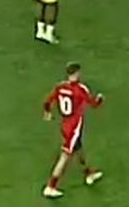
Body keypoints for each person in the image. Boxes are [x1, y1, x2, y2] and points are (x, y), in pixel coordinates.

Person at [41, 62, 104, 199]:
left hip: (65, 125)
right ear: (77, 73)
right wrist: (100, 99)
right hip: (74, 127)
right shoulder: (80, 89)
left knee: (78, 149)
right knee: (65, 156)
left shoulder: (60, 87)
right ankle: (50, 186)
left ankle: (88, 173)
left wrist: (47, 112)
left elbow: (47, 101)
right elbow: (93, 104)